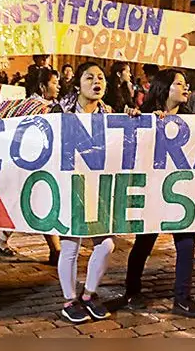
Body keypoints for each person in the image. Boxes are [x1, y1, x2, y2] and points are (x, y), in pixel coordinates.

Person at [121, 69, 195, 317]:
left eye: (186, 84)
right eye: (180, 83)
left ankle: (182, 298)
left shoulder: (192, 120)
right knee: (144, 243)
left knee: (187, 243)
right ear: (165, 88)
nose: (186, 87)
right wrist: (134, 119)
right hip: (152, 189)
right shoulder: (146, 115)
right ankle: (132, 290)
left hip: (180, 190)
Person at [54, 62, 117, 324]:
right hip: (69, 185)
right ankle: (69, 300)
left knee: (106, 244)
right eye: (89, 77)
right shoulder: (59, 111)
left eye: (100, 77)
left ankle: (89, 295)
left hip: (98, 189)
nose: (96, 81)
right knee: (70, 246)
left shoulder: (111, 114)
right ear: (78, 83)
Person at [0, 67, 63, 265]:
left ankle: (2, 239)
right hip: (35, 164)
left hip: (19, 163)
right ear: (42, 86)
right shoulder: (43, 109)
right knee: (42, 204)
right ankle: (55, 250)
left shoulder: (22, 105)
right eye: (55, 83)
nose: (59, 86)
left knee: (24, 202)